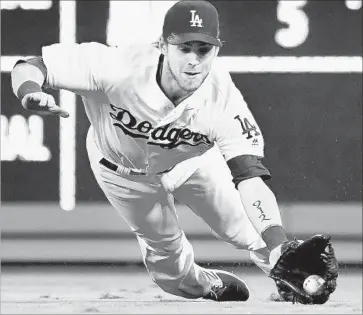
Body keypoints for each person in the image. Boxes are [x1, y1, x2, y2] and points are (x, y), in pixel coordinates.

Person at [11, 0, 294, 302]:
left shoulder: (224, 100)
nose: (194, 60)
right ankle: (203, 282)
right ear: (162, 45)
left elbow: (250, 179)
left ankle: (291, 277)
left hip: (188, 163)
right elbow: (32, 65)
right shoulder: (117, 67)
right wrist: (30, 92)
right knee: (169, 265)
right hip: (123, 173)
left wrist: (281, 244)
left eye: (204, 49)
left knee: (247, 227)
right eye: (184, 48)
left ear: (217, 49)